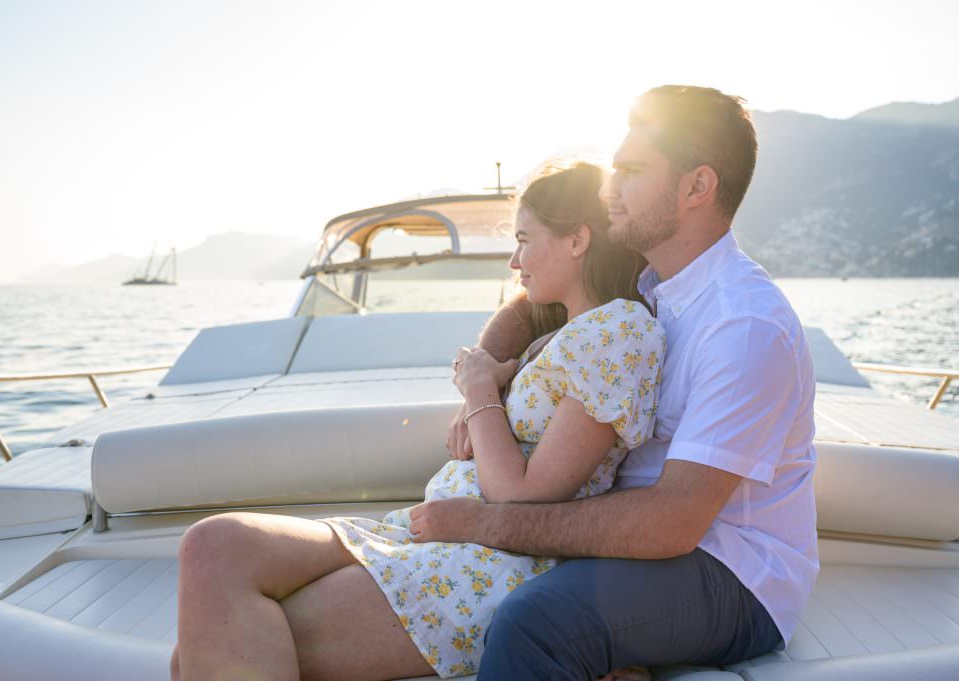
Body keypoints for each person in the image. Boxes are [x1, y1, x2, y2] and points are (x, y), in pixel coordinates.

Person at [170, 161, 666, 680]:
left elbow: (525, 498)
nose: (515, 260)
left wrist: (479, 391)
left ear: (577, 241)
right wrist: (492, 377)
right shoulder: (563, 334)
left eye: (524, 239)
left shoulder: (619, 331)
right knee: (213, 545)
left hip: (491, 563)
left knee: (196, 657)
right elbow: (517, 322)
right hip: (428, 536)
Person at [413, 85, 819, 680]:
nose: (609, 191)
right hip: (641, 539)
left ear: (696, 187)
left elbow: (672, 523)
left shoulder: (744, 326)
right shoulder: (649, 277)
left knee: (535, 620)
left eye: (629, 172)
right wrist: (488, 378)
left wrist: (486, 524)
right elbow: (527, 306)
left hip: (730, 569)